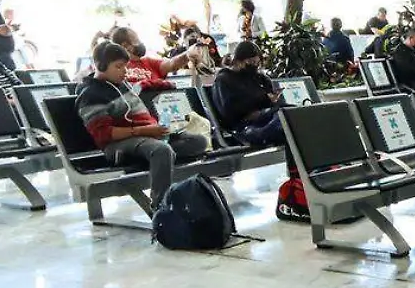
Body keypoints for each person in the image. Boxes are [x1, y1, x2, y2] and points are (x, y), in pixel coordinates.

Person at [76, 40, 207, 208]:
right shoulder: (91, 94)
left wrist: (163, 85)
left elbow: (143, 85)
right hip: (117, 145)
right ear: (100, 66)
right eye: (119, 67)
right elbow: (104, 134)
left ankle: (158, 160)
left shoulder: (121, 85)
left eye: (125, 66)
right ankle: (161, 205)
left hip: (145, 136)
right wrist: (146, 131)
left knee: (198, 142)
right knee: (161, 150)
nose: (124, 71)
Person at [214, 40, 286, 147]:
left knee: (289, 113)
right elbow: (229, 111)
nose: (255, 66)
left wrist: (271, 100)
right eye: (250, 62)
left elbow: (273, 104)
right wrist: (262, 100)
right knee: (284, 120)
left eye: (257, 63)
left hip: (268, 117)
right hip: (245, 125)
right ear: (238, 61)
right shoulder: (224, 80)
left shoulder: (261, 79)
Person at [108, 26, 189, 91]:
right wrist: (158, 84)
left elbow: (173, 64)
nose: (140, 43)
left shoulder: (149, 62)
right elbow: (125, 89)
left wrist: (188, 54)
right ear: (125, 46)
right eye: (136, 40)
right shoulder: (115, 68)